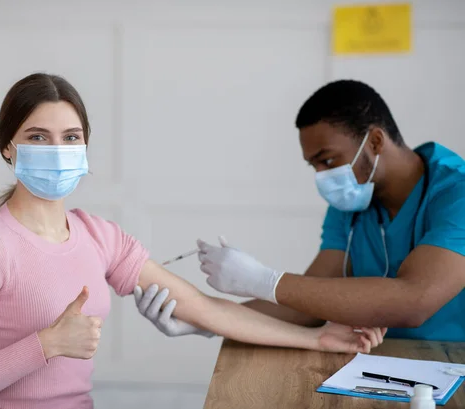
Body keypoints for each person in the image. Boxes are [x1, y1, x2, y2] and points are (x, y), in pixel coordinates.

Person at [0, 74, 385, 409]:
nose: (56, 150)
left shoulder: (96, 235)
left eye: (70, 138)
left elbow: (207, 309)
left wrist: (319, 340)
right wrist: (45, 343)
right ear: (8, 146)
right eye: (37, 137)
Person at [138, 79, 465, 342]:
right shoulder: (353, 200)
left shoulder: (456, 195)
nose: (323, 176)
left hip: (447, 362)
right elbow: (308, 305)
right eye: (314, 166)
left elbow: (414, 301)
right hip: (372, 361)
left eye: (328, 160)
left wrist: (263, 280)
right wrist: (206, 320)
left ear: (376, 141)